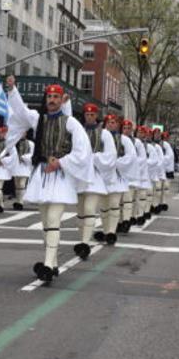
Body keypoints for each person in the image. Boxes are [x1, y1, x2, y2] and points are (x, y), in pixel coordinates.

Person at [4, 75, 93, 284]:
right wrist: (13, 90)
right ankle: (52, 263)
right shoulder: (39, 119)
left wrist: (61, 162)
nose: (52, 100)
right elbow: (21, 111)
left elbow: (83, 150)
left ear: (62, 100)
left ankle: (46, 263)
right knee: (45, 222)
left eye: (56, 97)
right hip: (42, 174)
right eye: (49, 97)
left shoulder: (71, 123)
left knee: (53, 220)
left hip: (60, 177)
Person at [74, 103, 114, 255]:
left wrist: (94, 158)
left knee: (90, 209)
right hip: (80, 176)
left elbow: (110, 156)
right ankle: (82, 239)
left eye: (92, 115)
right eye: (87, 115)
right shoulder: (79, 131)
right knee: (80, 212)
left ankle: (85, 242)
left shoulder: (105, 134)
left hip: (95, 176)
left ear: (96, 116)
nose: (89, 117)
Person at [100, 113, 132, 245]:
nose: (110, 124)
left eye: (113, 122)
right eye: (108, 122)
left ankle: (111, 232)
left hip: (117, 176)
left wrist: (116, 163)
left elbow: (130, 156)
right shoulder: (100, 137)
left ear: (117, 125)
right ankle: (105, 230)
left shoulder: (123, 139)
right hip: (103, 176)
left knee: (114, 204)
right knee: (104, 206)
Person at [117, 120, 139, 234]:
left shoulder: (136, 142)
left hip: (130, 174)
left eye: (128, 128)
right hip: (118, 174)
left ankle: (126, 221)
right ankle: (119, 222)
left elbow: (137, 158)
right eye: (124, 128)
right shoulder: (117, 139)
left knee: (127, 199)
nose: (126, 130)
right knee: (118, 201)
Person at [10, 131, 34, 210]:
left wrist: (25, 157)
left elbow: (32, 154)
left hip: (25, 165)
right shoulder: (15, 143)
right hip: (16, 165)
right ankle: (18, 201)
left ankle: (21, 201)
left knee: (22, 184)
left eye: (23, 133)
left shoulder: (30, 143)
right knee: (17, 185)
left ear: (26, 133)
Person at [159, 130, 176, 210]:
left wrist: (161, 162)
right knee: (163, 188)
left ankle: (162, 202)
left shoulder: (165, 144)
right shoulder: (165, 144)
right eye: (166, 137)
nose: (167, 138)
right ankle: (162, 202)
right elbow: (169, 157)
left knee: (163, 188)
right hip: (166, 169)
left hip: (166, 169)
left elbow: (169, 157)